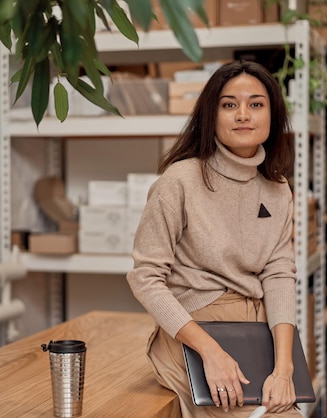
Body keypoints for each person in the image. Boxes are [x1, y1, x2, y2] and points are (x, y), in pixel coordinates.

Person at [126, 60, 301, 418]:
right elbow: (145, 278)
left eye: (256, 104)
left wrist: (285, 368)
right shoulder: (180, 181)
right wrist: (211, 352)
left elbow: (280, 275)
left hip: (257, 333)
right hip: (196, 333)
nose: (243, 114)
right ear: (212, 115)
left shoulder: (278, 189)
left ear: (273, 115)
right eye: (229, 104)